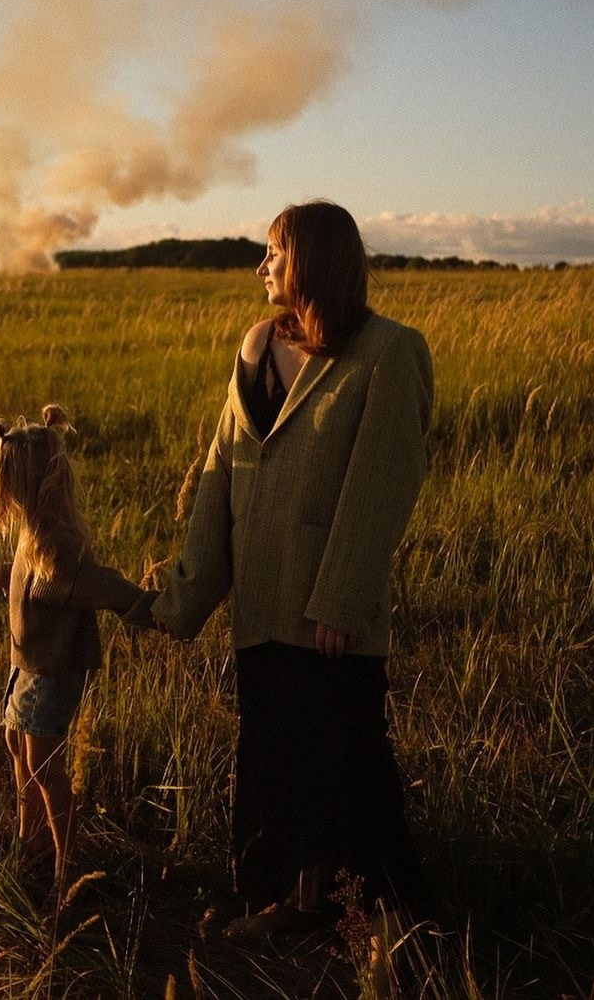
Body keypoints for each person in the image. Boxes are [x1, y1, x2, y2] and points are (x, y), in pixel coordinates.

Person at [147, 200, 434, 944]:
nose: (261, 267)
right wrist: (185, 598)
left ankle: (385, 916)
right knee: (277, 756)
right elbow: (220, 473)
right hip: (263, 598)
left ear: (310, 259)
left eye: (273, 252)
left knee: (348, 760)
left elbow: (383, 481)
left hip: (328, 610)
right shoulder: (252, 347)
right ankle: (298, 904)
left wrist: (338, 599)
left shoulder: (388, 351)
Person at [0, 404, 144, 892]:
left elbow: (102, 588)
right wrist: (7, 575)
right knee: (15, 747)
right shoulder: (33, 533)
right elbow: (36, 585)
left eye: (3, 489)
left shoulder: (59, 549)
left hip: (52, 671)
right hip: (26, 666)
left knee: (44, 766)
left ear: (23, 489)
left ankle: (65, 865)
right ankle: (32, 839)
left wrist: (155, 608)